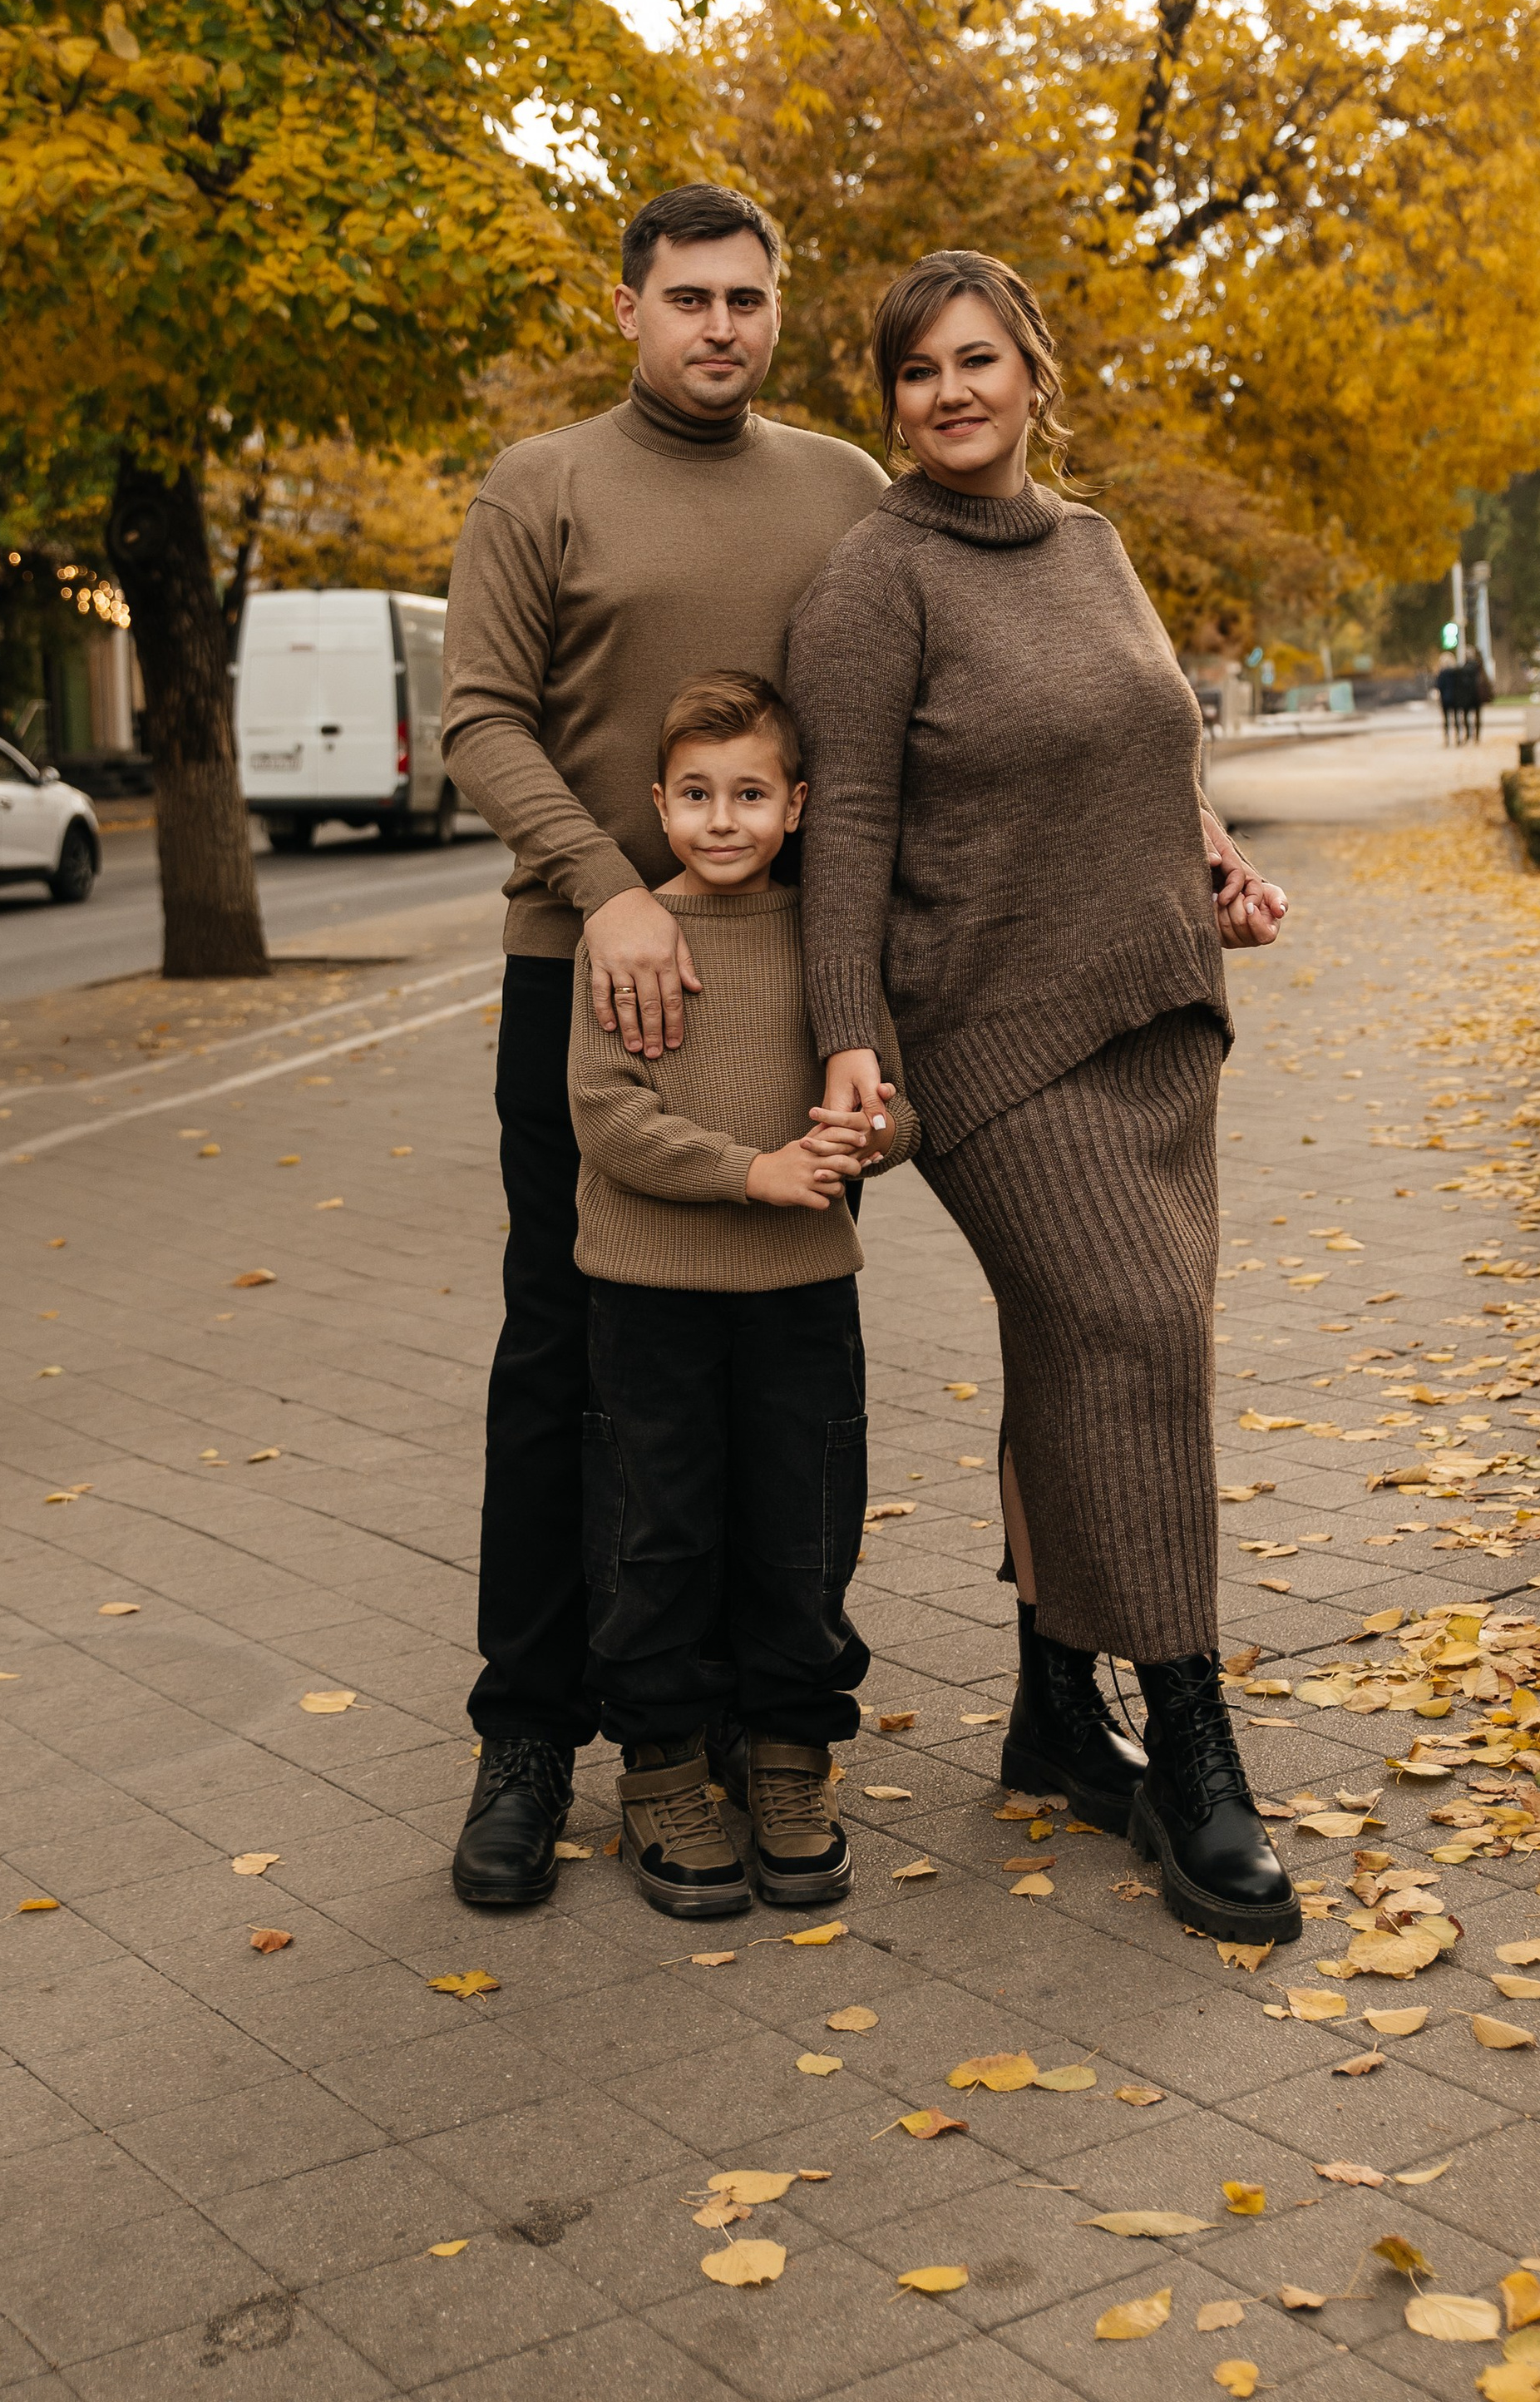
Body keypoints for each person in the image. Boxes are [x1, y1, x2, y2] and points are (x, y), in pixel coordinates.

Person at [786, 250, 1300, 1945]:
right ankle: (1190, 1739)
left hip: (1154, 1007)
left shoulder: (1090, 543)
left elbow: (1151, 738)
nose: (949, 391)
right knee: (1138, 1325)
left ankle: (1048, 1710)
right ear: (890, 401)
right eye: (917, 369)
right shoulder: (877, 578)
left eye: (977, 359)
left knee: (1085, 1346)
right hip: (987, 1037)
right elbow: (847, 823)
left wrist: (1207, 851)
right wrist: (849, 1033)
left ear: (1031, 373)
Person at [441, 184, 888, 1910]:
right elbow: (479, 714)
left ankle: (730, 1728)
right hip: (585, 972)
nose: (720, 325)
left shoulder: (843, 490)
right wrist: (600, 887)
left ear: (778, 310)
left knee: (764, 1385)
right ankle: (530, 1729)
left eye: (748, 299)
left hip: (777, 985)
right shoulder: (541, 483)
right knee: (566, 1361)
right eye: (688, 297)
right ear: (625, 306)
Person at [569, 670, 915, 1920]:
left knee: (803, 1527)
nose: (725, 820)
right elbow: (606, 1116)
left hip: (801, 1294)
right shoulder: (630, 938)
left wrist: (868, 1134)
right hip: (651, 1297)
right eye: (699, 795)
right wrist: (751, 1172)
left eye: (752, 794)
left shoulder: (829, 942)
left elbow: (893, 1092)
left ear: (799, 804)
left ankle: (788, 1757)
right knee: (660, 1533)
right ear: (661, 805)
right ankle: (661, 1768)